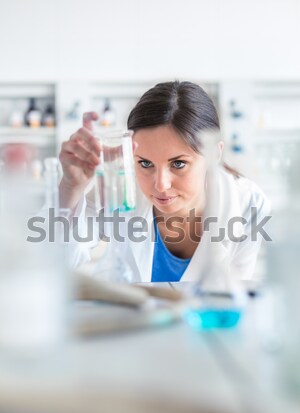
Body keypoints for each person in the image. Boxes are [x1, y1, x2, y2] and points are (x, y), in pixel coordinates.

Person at [59, 81, 270, 282]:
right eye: (145, 163)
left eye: (178, 164)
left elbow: (232, 296)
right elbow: (57, 261)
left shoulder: (247, 203)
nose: (160, 185)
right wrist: (70, 187)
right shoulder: (118, 189)